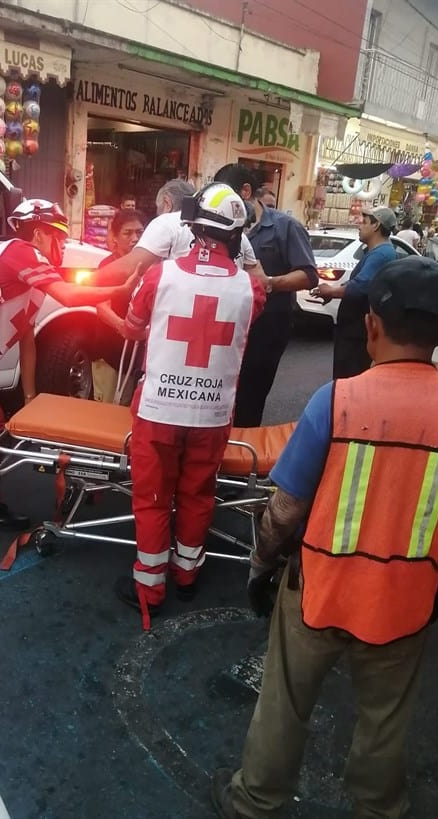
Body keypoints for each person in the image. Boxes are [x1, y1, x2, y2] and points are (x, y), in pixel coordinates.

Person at [211, 255, 438, 819]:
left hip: (319, 589)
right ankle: (380, 810)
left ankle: (256, 800)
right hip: (406, 603)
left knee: (284, 703)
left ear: (370, 325)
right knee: (386, 721)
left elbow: (285, 509)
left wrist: (261, 569)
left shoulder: (336, 402)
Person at [0, 199, 136, 531]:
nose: (62, 246)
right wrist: (122, 288)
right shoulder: (22, 251)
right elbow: (67, 296)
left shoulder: (25, 276)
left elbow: (27, 340)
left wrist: (30, 398)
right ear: (39, 234)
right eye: (59, 238)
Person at [113, 183, 266, 629]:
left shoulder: (158, 277)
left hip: (158, 411)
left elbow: (134, 329)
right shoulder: (250, 290)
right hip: (214, 413)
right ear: (236, 233)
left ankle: (149, 587)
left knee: (153, 497)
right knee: (198, 494)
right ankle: (187, 575)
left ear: (191, 224)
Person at [214, 163, 318, 427]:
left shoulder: (285, 227)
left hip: (267, 327)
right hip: (226, 325)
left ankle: (241, 457)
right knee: (221, 394)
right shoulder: (222, 227)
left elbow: (308, 275)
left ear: (246, 192)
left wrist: (268, 282)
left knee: (250, 398)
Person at [97, 178, 260, 289]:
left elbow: (130, 269)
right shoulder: (240, 237)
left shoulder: (166, 223)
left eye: (157, 207)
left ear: (167, 203)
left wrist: (84, 283)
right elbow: (259, 280)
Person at [314, 206, 397, 379]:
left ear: (376, 226)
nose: (359, 225)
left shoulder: (381, 254)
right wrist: (334, 292)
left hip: (357, 332)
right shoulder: (377, 252)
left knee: (348, 377)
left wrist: (332, 290)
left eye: (364, 222)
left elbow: (361, 286)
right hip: (355, 329)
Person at [96, 209, 147, 370]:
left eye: (140, 232)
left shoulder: (150, 265)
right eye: (128, 233)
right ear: (115, 238)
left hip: (140, 351)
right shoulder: (108, 266)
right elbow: (101, 306)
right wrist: (123, 327)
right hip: (111, 350)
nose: (135, 238)